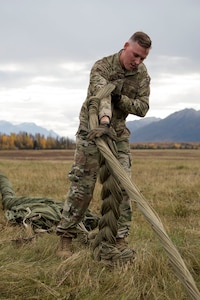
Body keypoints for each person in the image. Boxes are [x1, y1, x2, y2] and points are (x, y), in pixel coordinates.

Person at [56, 31, 152, 258]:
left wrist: (122, 100)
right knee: (83, 186)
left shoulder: (141, 74)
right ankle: (65, 239)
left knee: (124, 188)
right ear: (126, 45)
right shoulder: (102, 67)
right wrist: (104, 122)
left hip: (118, 135)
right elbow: (102, 97)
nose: (137, 62)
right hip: (92, 132)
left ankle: (118, 238)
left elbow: (143, 108)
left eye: (143, 59)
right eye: (135, 55)